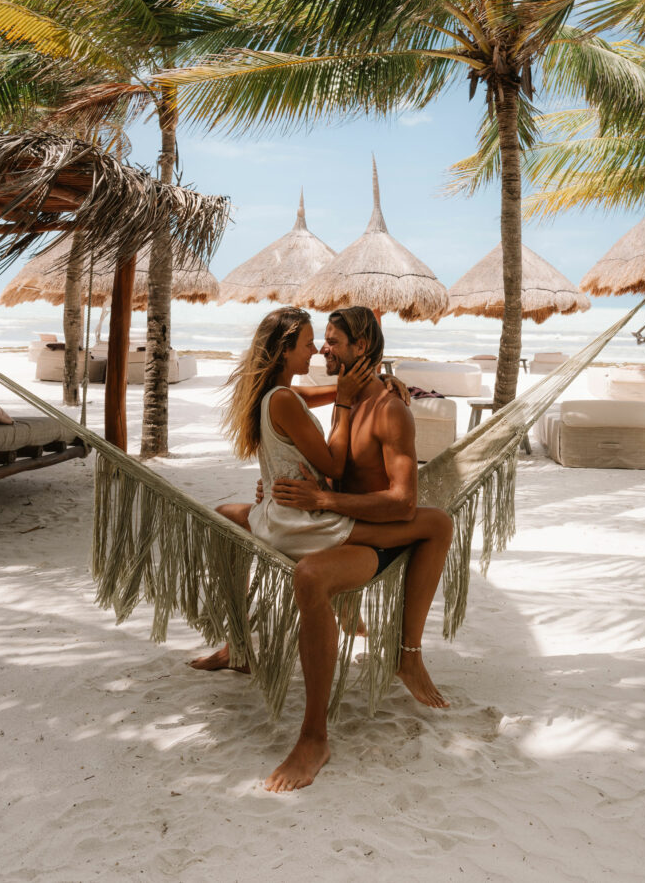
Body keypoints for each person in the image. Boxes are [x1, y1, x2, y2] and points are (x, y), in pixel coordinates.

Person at [192, 305, 453, 791]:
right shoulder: (335, 398)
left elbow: (401, 502)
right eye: (318, 340)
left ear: (361, 349)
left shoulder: (389, 410)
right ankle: (240, 644)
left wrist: (320, 496)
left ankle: (322, 729)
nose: (322, 350)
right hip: (324, 520)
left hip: (363, 533)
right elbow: (322, 444)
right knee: (224, 519)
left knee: (323, 571)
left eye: (331, 342)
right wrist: (276, 486)